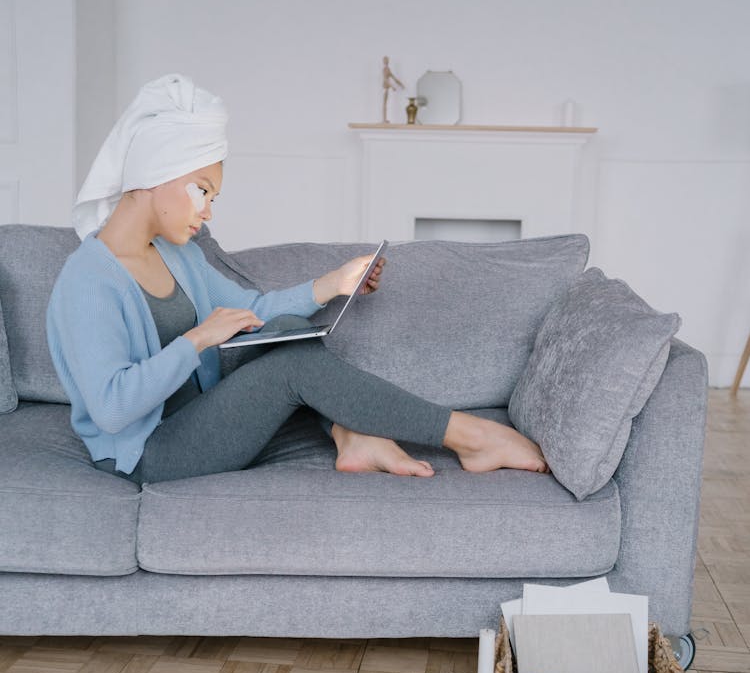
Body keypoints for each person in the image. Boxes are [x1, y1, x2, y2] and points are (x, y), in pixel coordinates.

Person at [47, 74, 547, 484]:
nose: (207, 212)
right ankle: (470, 437)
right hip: (146, 454)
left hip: (195, 415)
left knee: (286, 324)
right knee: (289, 370)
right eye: (201, 190)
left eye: (213, 197)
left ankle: (351, 434)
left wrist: (331, 284)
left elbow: (252, 312)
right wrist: (199, 339)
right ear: (157, 173)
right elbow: (112, 410)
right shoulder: (89, 280)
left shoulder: (179, 256)